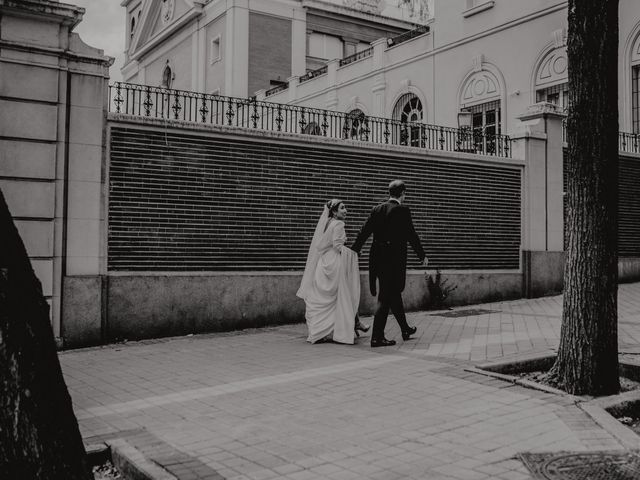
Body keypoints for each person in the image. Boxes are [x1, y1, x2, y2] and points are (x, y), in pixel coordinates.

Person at [351, 180, 428, 347]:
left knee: (393, 295)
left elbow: (364, 231)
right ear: (403, 194)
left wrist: (355, 249)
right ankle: (377, 338)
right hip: (393, 262)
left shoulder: (376, 209)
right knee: (385, 298)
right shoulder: (403, 210)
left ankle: (405, 329)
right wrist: (422, 255)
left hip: (378, 261)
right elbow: (411, 235)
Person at [296, 199, 369, 344]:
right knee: (344, 295)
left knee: (327, 298)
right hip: (335, 263)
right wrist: (353, 253)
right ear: (334, 212)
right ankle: (354, 323)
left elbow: (326, 244)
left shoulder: (326, 223)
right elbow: (338, 246)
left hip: (324, 263)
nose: (346, 210)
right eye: (342, 208)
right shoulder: (339, 224)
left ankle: (320, 330)